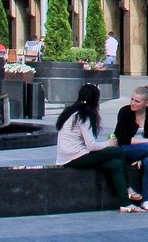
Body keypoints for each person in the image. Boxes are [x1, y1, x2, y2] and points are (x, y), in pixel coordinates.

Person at [56, 83, 143, 214]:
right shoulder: (84, 116)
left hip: (68, 157)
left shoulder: (72, 112)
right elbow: (91, 145)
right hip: (75, 157)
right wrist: (109, 143)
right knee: (117, 151)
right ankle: (129, 188)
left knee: (115, 164)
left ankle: (125, 203)